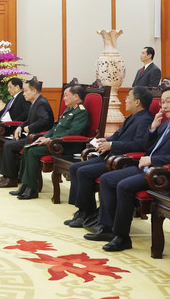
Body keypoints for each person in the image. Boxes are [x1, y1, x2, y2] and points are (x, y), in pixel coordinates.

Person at [85, 87, 170, 251]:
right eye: (162, 102)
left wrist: (153, 159)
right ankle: (107, 227)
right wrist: (153, 129)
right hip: (149, 168)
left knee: (123, 186)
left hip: (166, 174)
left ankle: (122, 237)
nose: (164, 106)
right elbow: (147, 145)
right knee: (107, 179)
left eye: (168, 101)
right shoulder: (166, 123)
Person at [64, 86, 153, 229]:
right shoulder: (133, 116)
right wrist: (106, 141)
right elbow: (118, 135)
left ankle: (87, 212)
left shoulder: (145, 119)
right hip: (111, 156)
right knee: (75, 167)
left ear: (137, 102)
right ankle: (83, 210)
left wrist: (112, 145)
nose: (126, 99)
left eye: (129, 97)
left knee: (83, 172)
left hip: (121, 161)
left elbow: (139, 145)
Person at [12, 85, 90, 200]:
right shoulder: (70, 109)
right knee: (28, 148)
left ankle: (32, 189)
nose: (64, 98)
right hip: (56, 142)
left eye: (66, 95)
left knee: (33, 151)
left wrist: (51, 139)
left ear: (76, 96)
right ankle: (25, 185)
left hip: (67, 145)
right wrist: (44, 137)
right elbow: (55, 128)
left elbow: (73, 132)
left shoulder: (81, 112)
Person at [0, 78, 54, 189]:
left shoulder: (42, 103)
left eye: (26, 91)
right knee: (9, 143)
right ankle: (6, 176)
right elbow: (28, 120)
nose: (24, 93)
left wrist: (30, 127)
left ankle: (11, 179)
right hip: (31, 136)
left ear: (34, 91)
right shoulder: (35, 102)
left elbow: (45, 120)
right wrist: (20, 127)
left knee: (9, 145)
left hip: (37, 137)